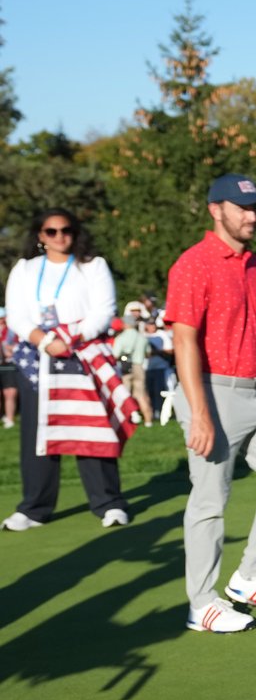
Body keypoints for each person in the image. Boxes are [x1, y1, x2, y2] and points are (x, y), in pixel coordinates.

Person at [167, 174, 256, 633]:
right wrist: (200, 411)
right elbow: (184, 340)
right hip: (214, 392)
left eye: (255, 208)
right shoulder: (193, 264)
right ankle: (202, 604)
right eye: (242, 207)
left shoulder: (253, 263)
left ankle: (250, 577)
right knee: (210, 500)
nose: (251, 215)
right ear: (215, 209)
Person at [3, 208, 135, 532]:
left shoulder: (92, 266)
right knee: (39, 432)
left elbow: (103, 311)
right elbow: (17, 313)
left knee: (92, 428)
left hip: (83, 353)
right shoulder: (25, 269)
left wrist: (69, 338)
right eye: (51, 231)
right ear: (40, 235)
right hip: (38, 357)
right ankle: (35, 508)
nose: (60, 237)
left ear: (75, 233)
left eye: (66, 230)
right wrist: (43, 340)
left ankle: (109, 502)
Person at [113, 302, 155, 426]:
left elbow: (115, 354)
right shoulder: (142, 338)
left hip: (126, 367)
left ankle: (130, 417)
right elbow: (148, 353)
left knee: (126, 393)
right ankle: (148, 420)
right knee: (141, 394)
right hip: (139, 366)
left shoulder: (121, 338)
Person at [0, 307, 18, 429]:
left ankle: (10, 419)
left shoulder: (12, 331)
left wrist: (10, 349)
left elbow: (18, 346)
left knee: (9, 393)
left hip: (9, 364)